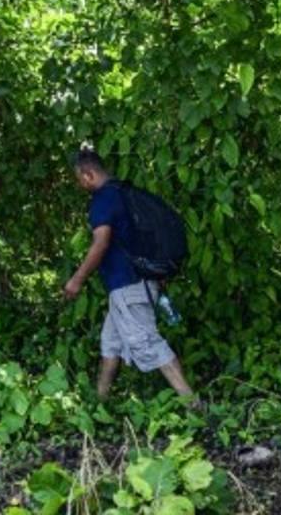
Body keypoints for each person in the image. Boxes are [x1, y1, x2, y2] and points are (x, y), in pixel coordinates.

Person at [64, 150, 198, 403]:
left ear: (88, 174)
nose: (80, 185)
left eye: (79, 179)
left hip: (128, 285)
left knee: (148, 343)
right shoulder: (124, 194)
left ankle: (194, 406)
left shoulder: (103, 200)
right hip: (135, 285)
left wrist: (77, 279)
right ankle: (100, 402)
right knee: (110, 344)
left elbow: (100, 243)